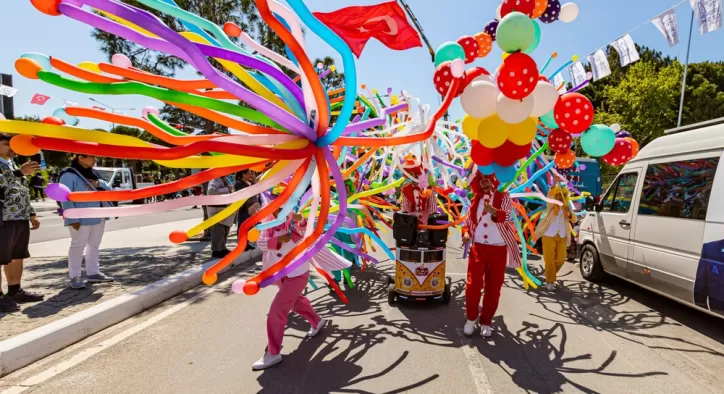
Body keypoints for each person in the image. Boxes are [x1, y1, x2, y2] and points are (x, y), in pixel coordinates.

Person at [253, 208, 326, 370]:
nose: (279, 208)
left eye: (282, 204)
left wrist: (300, 221)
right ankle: (317, 321)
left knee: (277, 311)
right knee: (296, 302)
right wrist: (278, 240)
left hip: (297, 273)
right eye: (275, 204)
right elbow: (260, 243)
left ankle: (273, 352)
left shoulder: (293, 220)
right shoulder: (267, 224)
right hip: (279, 273)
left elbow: (308, 234)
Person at [461, 173, 521, 337]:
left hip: (498, 249)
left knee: (493, 289)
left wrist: (492, 210)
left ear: (494, 178)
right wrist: (466, 233)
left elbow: (506, 216)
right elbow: (468, 222)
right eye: (480, 179)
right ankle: (471, 319)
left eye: (487, 178)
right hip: (478, 248)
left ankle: (486, 321)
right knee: (473, 286)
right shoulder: (475, 200)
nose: (484, 182)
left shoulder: (504, 196)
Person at [0, 134, 45, 312]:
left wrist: (31, 213)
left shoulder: (10, 164)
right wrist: (20, 172)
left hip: (18, 217)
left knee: (17, 256)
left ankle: (15, 290)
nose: (12, 148)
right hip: (3, 217)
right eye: (6, 144)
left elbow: (20, 190)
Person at [59, 155, 115, 289]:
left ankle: (94, 273)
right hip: (80, 217)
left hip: (98, 215)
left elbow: (109, 189)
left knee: (94, 245)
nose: (95, 160)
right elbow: (64, 197)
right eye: (91, 157)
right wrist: (72, 218)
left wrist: (99, 184)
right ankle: (74, 276)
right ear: (80, 157)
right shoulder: (68, 174)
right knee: (78, 245)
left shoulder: (94, 173)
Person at [533, 184, 577, 290]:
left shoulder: (567, 207)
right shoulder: (551, 205)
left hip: (562, 236)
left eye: (562, 195)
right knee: (549, 260)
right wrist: (553, 187)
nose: (560, 197)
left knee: (561, 259)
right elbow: (550, 194)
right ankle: (550, 281)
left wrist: (569, 213)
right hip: (548, 235)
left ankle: (549, 272)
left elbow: (574, 220)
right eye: (558, 195)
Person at [400, 154, 437, 225]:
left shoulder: (428, 188)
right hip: (411, 221)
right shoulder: (406, 189)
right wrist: (407, 220)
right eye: (409, 175)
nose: (411, 177)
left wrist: (431, 221)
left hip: (426, 221)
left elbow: (433, 207)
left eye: (412, 174)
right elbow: (405, 208)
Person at [207, 176, 237, 258]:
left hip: (225, 209)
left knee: (225, 230)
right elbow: (211, 191)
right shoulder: (214, 180)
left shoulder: (225, 179)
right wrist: (226, 189)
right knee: (218, 231)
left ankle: (222, 248)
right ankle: (216, 250)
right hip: (218, 210)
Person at [234, 169, 261, 248]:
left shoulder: (248, 183)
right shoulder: (239, 184)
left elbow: (257, 190)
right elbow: (247, 193)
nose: (250, 175)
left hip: (251, 209)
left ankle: (247, 243)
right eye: (248, 173)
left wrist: (254, 181)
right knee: (242, 227)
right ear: (242, 174)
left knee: (249, 227)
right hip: (244, 209)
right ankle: (242, 244)